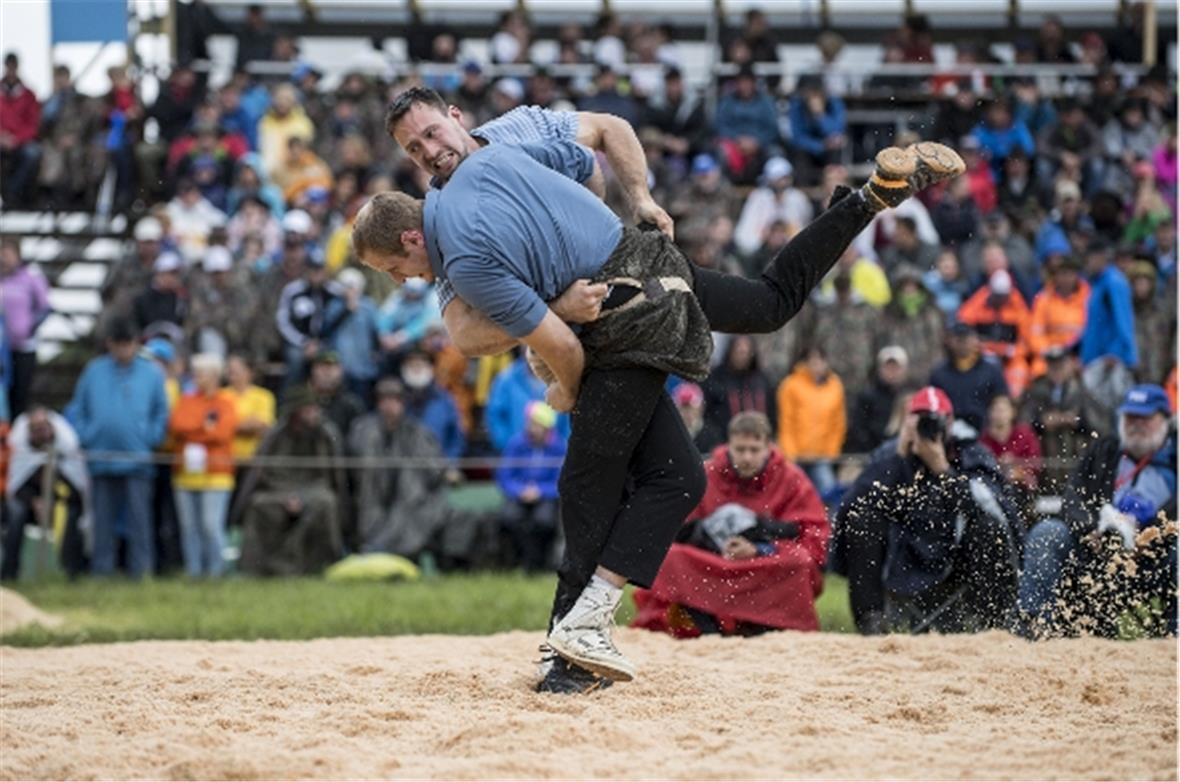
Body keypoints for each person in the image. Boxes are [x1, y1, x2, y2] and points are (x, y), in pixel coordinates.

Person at [371, 86, 963, 690]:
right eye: (413, 149)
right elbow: (474, 323)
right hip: (645, 271)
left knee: (592, 491)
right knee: (742, 351)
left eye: (430, 134)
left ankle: (571, 650)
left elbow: (607, 135)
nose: (429, 151)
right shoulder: (462, 197)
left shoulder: (481, 191)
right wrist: (574, 271)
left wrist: (633, 208)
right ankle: (864, 201)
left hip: (622, 314)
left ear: (455, 117)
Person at [832, 387, 1023, 634]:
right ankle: (871, 623)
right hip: (901, 551)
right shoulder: (890, 454)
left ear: (949, 422)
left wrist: (943, 469)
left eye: (934, 420)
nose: (928, 427)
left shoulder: (970, 451)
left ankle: (992, 625)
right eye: (920, 419)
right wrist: (899, 459)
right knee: (861, 519)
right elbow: (854, 503)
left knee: (989, 527)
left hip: (955, 553)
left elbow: (994, 509)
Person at [632, 411, 830, 636]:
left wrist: (761, 548)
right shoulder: (705, 474)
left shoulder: (791, 479)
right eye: (740, 449)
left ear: (768, 447)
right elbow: (669, 529)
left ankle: (762, 625)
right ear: (729, 445)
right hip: (711, 563)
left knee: (799, 562)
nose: (747, 457)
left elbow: (814, 539)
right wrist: (707, 538)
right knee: (670, 558)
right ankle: (704, 626)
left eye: (754, 450)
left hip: (764, 564)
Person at [1014, 384, 1176, 638]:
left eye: (1145, 418)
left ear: (1165, 419)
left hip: (1156, 556)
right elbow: (1072, 497)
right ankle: (1035, 626)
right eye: (1131, 417)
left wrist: (1148, 532)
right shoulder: (1105, 449)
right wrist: (1091, 529)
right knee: (1047, 533)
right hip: (1099, 550)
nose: (1136, 424)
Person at [66, 319, 169, 577]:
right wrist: (87, 436)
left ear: (136, 344)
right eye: (118, 344)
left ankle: (141, 571)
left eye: (128, 344)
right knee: (102, 520)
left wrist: (150, 437)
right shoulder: (94, 371)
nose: (123, 350)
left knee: (139, 520)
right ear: (109, 344)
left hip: (138, 459)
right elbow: (78, 408)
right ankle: (102, 571)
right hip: (101, 457)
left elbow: (161, 411)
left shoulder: (151, 373)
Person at [232, 386, 348, 576]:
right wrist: (288, 496)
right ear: (296, 411)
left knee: (326, 503)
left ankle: (321, 564)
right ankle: (259, 567)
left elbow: (328, 476)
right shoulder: (275, 436)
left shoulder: (324, 434)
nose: (313, 414)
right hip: (277, 491)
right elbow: (265, 474)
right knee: (258, 505)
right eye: (308, 409)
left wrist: (301, 497)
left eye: (315, 409)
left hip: (314, 490)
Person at [346, 378, 453, 559]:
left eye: (395, 400)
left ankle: (390, 547)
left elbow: (433, 470)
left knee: (411, 480)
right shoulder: (363, 429)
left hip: (411, 500)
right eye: (384, 400)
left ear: (403, 403)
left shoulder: (418, 432)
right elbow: (356, 463)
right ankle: (373, 544)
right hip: (372, 496)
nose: (389, 406)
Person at [168, 353, 237, 578]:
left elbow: (222, 433)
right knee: (189, 527)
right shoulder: (186, 399)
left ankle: (216, 572)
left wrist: (194, 430)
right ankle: (194, 572)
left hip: (216, 474)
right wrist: (204, 427)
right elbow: (177, 425)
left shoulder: (226, 402)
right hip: (185, 473)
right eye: (195, 373)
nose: (196, 378)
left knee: (210, 525)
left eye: (201, 373)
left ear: (215, 376)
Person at [3, 406, 89, 580]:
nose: (41, 433)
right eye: (35, 429)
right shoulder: (21, 448)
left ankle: (70, 572)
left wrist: (53, 502)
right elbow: (16, 486)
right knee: (15, 513)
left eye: (43, 428)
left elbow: (76, 490)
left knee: (71, 515)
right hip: (29, 503)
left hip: (60, 503)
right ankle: (9, 572)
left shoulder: (66, 445)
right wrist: (34, 501)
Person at [495, 401, 566, 572]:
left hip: (547, 498)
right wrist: (520, 490)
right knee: (510, 517)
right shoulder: (516, 443)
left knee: (544, 520)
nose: (531, 428)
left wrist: (540, 491)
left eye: (536, 424)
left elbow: (561, 481)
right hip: (518, 495)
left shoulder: (560, 447)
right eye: (530, 423)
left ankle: (540, 563)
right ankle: (520, 562)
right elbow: (504, 475)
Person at [1020, 345, 1092, 492]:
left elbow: (1096, 424)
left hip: (1074, 451)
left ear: (1069, 365)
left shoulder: (1082, 389)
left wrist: (1074, 421)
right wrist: (1041, 422)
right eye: (1052, 365)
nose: (1056, 370)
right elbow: (1024, 423)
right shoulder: (1035, 389)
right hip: (1045, 452)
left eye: (1060, 365)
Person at [776, 346, 846, 496]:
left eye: (820, 360)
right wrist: (790, 452)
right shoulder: (791, 385)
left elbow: (838, 422)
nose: (817, 365)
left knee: (829, 493)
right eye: (812, 361)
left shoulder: (834, 386)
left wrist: (831, 451)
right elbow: (786, 421)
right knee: (793, 494)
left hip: (822, 456)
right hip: (796, 456)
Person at [0, 236, 50, 418]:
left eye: (7, 254)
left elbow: (45, 308)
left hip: (23, 347)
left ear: (18, 255)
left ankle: (15, 430)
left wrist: (29, 329)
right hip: (1, 349)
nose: (3, 259)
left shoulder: (30, 278)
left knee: (19, 395)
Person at [930, 322, 1009, 432]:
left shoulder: (991, 371)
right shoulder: (939, 373)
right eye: (958, 339)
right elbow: (933, 405)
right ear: (949, 341)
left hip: (985, 432)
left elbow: (1002, 401)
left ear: (976, 340)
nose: (963, 343)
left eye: (966, 339)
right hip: (949, 431)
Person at [701, 335, 777, 448]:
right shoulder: (716, 379)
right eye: (739, 351)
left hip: (759, 444)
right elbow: (708, 414)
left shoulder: (762, 381)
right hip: (724, 443)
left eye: (745, 352)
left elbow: (772, 413)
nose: (742, 356)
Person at [399, 349, 465, 461]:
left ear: (430, 368)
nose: (416, 369)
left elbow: (456, 437)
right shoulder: (396, 400)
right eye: (412, 365)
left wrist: (449, 464)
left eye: (420, 365)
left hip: (438, 465)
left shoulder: (445, 400)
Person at [846, 346, 910, 455]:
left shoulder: (910, 396)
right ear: (880, 369)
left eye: (896, 368)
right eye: (888, 367)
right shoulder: (867, 397)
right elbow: (858, 429)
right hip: (870, 454)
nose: (892, 372)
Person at [0, 53, 42, 207]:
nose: (11, 70)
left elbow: (33, 124)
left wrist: (16, 139)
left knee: (33, 153)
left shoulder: (28, 95)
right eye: (8, 66)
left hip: (20, 141)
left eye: (14, 66)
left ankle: (12, 193)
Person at [307, 350, 366, 443]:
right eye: (322, 367)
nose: (327, 373)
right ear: (313, 370)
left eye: (331, 368)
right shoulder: (301, 402)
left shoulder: (351, 404)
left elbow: (359, 440)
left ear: (341, 372)